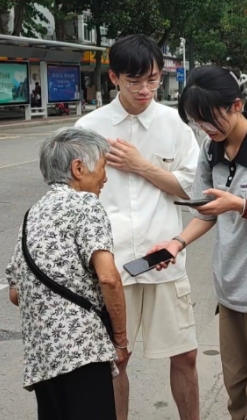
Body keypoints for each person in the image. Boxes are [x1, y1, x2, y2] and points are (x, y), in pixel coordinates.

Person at [150, 65, 247, 420]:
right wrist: (176, 243)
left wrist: (240, 205)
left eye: (211, 119)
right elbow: (206, 212)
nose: (205, 128)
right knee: (237, 396)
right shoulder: (211, 149)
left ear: (236, 106)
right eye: (197, 122)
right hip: (230, 294)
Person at [75, 34, 200, 420]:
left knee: (185, 355)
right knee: (115, 360)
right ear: (114, 78)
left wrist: (142, 166)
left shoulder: (174, 124)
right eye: (134, 81)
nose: (145, 89)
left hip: (162, 260)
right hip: (110, 266)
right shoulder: (89, 128)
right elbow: (73, 197)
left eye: (153, 80)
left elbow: (193, 188)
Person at [5, 127, 130, 419]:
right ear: (78, 168)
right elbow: (108, 277)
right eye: (102, 167)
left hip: (43, 355)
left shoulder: (33, 213)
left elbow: (15, 293)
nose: (105, 177)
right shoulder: (86, 203)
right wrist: (120, 340)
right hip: (82, 350)